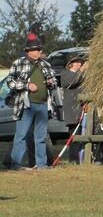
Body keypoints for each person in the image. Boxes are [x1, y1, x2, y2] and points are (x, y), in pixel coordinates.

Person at [7, 30, 58, 170]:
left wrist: (51, 82)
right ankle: (15, 164)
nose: (39, 51)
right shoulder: (19, 63)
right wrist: (27, 85)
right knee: (21, 136)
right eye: (36, 49)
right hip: (26, 106)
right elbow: (10, 82)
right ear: (29, 51)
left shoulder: (45, 64)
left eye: (39, 49)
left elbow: (54, 81)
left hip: (43, 105)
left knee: (40, 138)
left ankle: (41, 165)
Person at [60, 53, 87, 164]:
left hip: (82, 110)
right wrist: (82, 71)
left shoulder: (81, 75)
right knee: (74, 137)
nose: (79, 64)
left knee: (81, 135)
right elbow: (72, 82)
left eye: (80, 62)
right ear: (70, 64)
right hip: (72, 110)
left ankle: (81, 159)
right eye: (76, 62)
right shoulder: (65, 74)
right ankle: (73, 159)